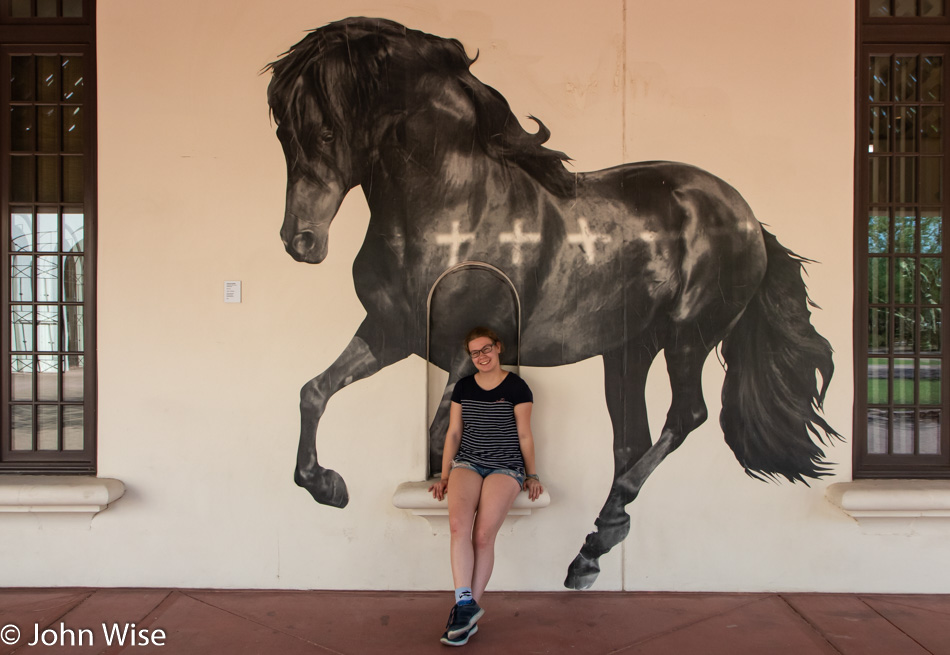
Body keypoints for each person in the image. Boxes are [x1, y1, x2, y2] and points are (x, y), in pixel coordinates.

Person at [428, 326, 543, 646]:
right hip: (467, 462)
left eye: (486, 349)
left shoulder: (517, 386)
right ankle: (465, 604)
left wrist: (532, 474)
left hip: (506, 467)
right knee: (457, 527)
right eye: (475, 352)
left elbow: (524, 434)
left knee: (482, 535)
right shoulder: (464, 386)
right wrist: (444, 475)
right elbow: (453, 433)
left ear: (498, 348)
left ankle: (465, 613)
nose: (481, 356)